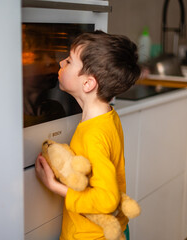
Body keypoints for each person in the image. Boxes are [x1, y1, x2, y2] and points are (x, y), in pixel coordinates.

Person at [35, 30, 142, 240]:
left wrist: (54, 186)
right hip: (113, 230)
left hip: (92, 236)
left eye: (69, 61)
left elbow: (107, 199)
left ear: (88, 83)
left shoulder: (94, 134)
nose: (60, 63)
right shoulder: (108, 117)